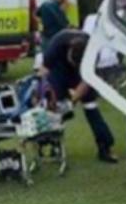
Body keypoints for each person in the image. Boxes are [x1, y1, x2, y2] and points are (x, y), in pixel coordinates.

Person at [41, 28, 118, 163]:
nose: (73, 64)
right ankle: (53, 145)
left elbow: (86, 81)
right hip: (59, 71)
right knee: (54, 110)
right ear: (69, 50)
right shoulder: (56, 44)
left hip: (84, 73)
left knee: (91, 107)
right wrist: (50, 95)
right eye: (72, 61)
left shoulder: (93, 51)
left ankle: (105, 147)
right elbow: (44, 71)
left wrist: (72, 100)